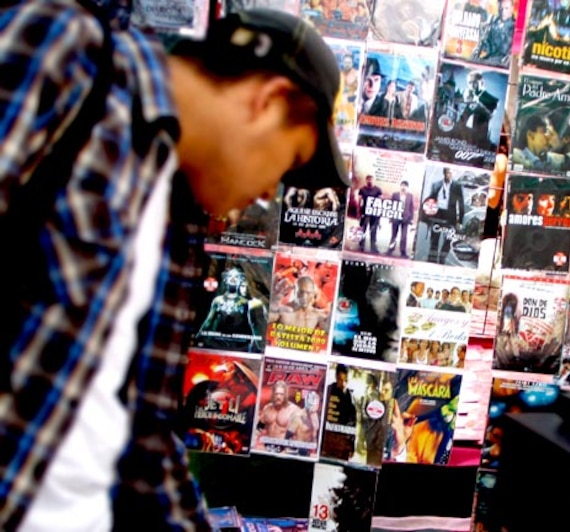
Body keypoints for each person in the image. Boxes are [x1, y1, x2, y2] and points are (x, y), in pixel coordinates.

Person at [0, 3, 349, 529]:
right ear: (267, 101)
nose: (267, 193)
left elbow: (143, 430)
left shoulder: (177, 206)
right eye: (287, 164)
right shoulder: (68, 53)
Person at [196, 265, 268, 353]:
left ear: (240, 280)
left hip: (240, 347)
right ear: (226, 279)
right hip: (218, 345)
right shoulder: (218, 300)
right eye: (230, 276)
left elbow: (253, 326)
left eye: (236, 277)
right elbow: (208, 322)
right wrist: (198, 338)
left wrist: (260, 346)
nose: (233, 279)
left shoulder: (246, 303)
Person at [268, 275, 331, 343]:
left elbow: (330, 331)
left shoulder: (318, 315)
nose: (304, 296)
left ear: (313, 294)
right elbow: (264, 319)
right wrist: (268, 307)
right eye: (301, 292)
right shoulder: (283, 311)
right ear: (295, 292)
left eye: (308, 293)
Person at [423, 167, 465, 263]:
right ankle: (432, 260)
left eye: (451, 173)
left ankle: (442, 259)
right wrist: (428, 217)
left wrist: (460, 221)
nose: (449, 175)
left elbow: (461, 204)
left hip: (450, 216)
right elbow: (431, 201)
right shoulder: (436, 185)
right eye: (447, 173)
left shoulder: (457, 186)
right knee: (434, 239)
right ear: (444, 173)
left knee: (448, 238)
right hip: (437, 214)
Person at [257, 381, 319, 445]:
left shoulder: (294, 410)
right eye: (276, 394)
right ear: (273, 394)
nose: (278, 397)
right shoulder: (267, 408)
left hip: (284, 449)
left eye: (281, 394)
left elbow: (310, 430)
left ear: (286, 395)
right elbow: (259, 428)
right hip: (267, 447)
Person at [323, 364, 358, 461]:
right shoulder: (328, 391)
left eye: (346, 380)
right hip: (328, 439)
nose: (343, 383)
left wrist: (352, 445)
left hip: (343, 442)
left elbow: (353, 424)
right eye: (340, 379)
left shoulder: (351, 397)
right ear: (336, 377)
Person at [471, 0, 515, 66]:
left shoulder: (515, 27)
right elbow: (482, 42)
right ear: (498, 7)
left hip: (501, 65)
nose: (503, 11)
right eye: (501, 8)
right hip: (486, 61)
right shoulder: (492, 21)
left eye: (506, 8)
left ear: (512, 8)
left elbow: (512, 54)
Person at [388, 180, 415, 257]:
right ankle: (390, 249)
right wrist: (391, 217)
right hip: (396, 217)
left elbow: (411, 207)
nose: (403, 187)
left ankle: (403, 252)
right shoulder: (395, 195)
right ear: (400, 186)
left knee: (404, 236)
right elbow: (391, 206)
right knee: (394, 235)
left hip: (405, 219)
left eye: (405, 186)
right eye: (402, 185)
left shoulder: (410, 196)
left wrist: (411, 219)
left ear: (407, 187)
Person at [358, 174, 383, 252]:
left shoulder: (378, 189)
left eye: (371, 179)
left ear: (373, 180)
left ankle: (373, 246)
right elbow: (359, 201)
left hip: (374, 213)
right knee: (363, 229)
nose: (370, 181)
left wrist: (379, 213)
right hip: (364, 212)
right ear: (366, 180)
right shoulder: (362, 189)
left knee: (373, 229)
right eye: (368, 179)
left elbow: (380, 201)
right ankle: (361, 245)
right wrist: (358, 212)